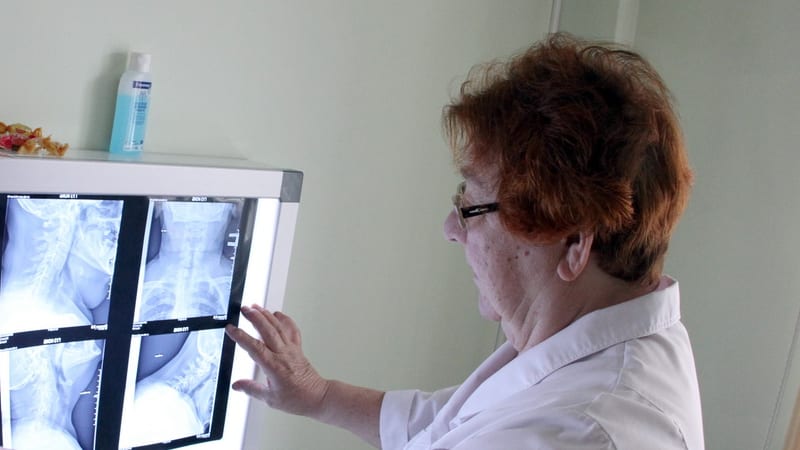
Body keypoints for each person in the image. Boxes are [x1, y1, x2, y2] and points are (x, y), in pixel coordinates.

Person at [225, 32, 704, 449]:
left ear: (574, 242)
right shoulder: (587, 333)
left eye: (471, 207)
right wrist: (320, 395)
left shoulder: (576, 432)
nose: (451, 229)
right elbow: (447, 424)